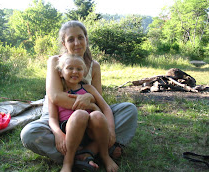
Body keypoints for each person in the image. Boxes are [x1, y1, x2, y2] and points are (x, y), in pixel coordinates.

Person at [21, 20, 137, 168]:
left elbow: (99, 101)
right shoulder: (55, 61)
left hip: (91, 118)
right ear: (64, 43)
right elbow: (56, 97)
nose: (77, 43)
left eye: (80, 37)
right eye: (71, 39)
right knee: (30, 134)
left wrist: (94, 106)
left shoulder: (94, 66)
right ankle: (88, 153)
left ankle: (86, 152)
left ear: (86, 39)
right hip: (59, 115)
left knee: (129, 110)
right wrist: (88, 103)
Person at [54, 53, 118, 172]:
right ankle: (68, 162)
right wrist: (57, 133)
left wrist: (110, 129)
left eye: (79, 69)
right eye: (70, 68)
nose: (75, 71)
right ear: (60, 72)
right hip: (69, 131)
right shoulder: (58, 92)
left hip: (90, 130)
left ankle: (105, 155)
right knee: (80, 114)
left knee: (97, 115)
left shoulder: (88, 89)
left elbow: (104, 108)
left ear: (84, 73)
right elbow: (52, 117)